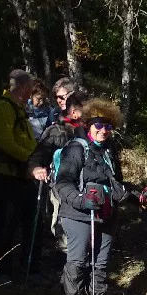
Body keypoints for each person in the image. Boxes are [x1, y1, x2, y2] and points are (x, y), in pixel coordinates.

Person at [51, 98, 147, 295]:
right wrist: (80, 199)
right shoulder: (76, 149)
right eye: (99, 124)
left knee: (101, 263)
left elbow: (116, 185)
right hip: (78, 214)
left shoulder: (109, 151)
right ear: (88, 124)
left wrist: (138, 196)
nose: (104, 130)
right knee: (77, 262)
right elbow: (63, 183)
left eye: (108, 126)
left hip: (106, 214)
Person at [0, 69, 39, 270]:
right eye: (30, 89)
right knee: (7, 224)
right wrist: (32, 160)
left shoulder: (18, 108)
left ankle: (29, 267)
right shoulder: (2, 108)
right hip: (5, 177)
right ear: (24, 87)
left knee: (31, 223)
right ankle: (1, 270)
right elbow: (6, 143)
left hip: (23, 175)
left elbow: (24, 139)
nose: (32, 93)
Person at [29, 89, 87, 255]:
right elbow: (38, 156)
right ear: (74, 112)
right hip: (62, 191)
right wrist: (36, 168)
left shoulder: (93, 132)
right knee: (66, 234)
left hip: (87, 190)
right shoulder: (57, 131)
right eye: (87, 109)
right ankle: (68, 270)